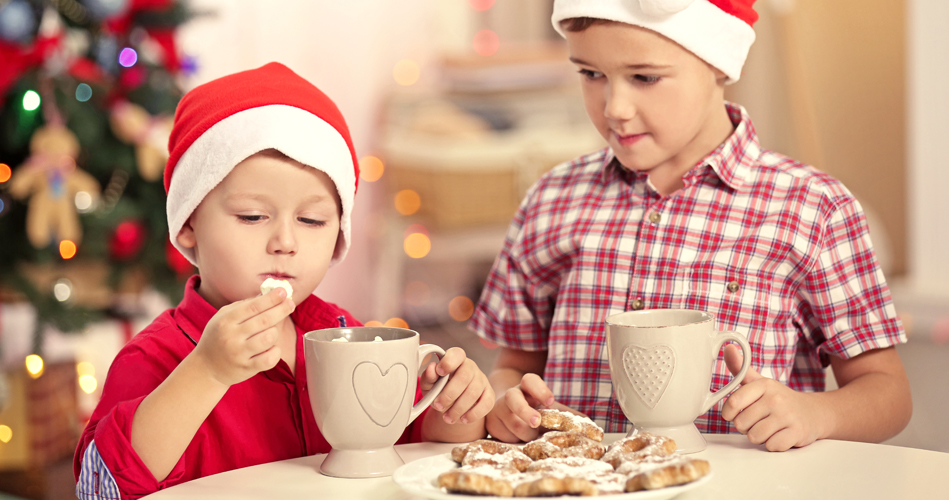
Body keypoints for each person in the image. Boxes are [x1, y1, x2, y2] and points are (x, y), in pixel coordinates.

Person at [469, 0, 912, 452]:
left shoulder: (813, 209)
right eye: (590, 73)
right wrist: (511, 403)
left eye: (645, 77)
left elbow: (888, 392)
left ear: (717, 65)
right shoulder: (551, 200)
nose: (615, 107)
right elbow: (514, 365)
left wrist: (815, 413)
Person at [74, 62, 494, 499]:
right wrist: (207, 372)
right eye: (253, 216)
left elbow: (405, 452)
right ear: (188, 224)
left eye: (312, 220)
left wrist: (455, 407)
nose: (285, 242)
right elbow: (98, 486)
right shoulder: (155, 358)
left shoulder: (343, 335)